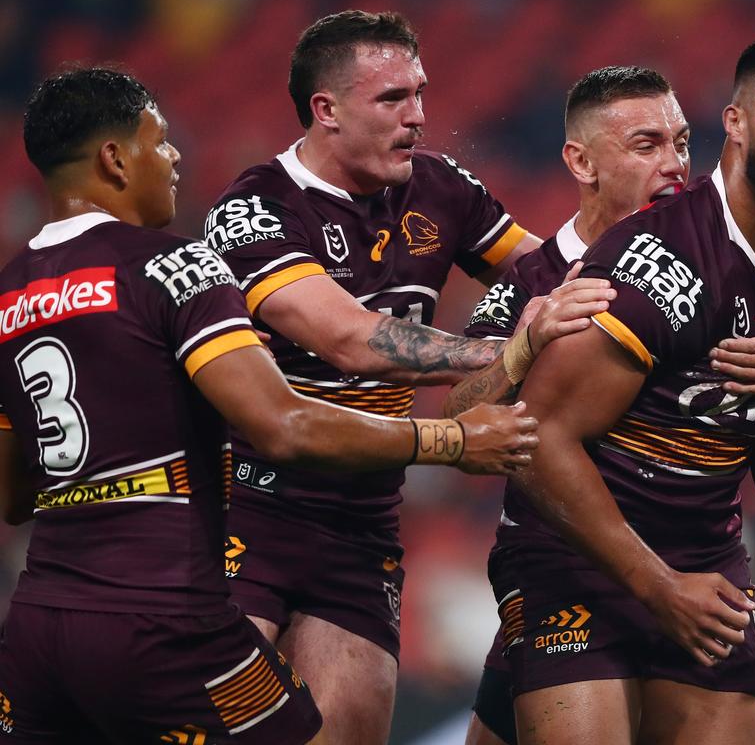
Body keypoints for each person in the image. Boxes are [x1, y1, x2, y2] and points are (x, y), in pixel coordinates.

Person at [0, 67, 538, 744]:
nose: (174, 159)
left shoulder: (8, 296)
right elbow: (285, 424)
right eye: (159, 142)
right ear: (114, 158)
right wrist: (452, 441)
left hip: (37, 624)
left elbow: (14, 494)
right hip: (164, 612)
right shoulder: (175, 267)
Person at [462, 37, 755, 745]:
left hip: (707, 575)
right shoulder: (648, 263)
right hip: (579, 565)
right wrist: (659, 588)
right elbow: (536, 440)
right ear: (737, 122)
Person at [203, 10, 612, 744]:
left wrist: (646, 269)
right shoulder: (254, 207)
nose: (419, 117)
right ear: (325, 110)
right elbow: (347, 339)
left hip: (363, 523)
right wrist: (506, 352)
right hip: (246, 511)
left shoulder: (438, 187)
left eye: (420, 94)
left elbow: (542, 276)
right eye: (392, 100)